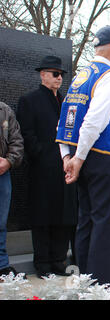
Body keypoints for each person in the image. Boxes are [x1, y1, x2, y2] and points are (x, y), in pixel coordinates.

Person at [55, 25, 110, 287]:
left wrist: (68, 157)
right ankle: (102, 290)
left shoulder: (81, 76)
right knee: (105, 226)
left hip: (83, 158)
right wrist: (77, 158)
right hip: (104, 157)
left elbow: (65, 120)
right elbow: (94, 120)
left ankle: (85, 285)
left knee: (87, 223)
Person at [17, 56, 77, 279]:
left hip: (66, 167)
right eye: (54, 73)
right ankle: (42, 263)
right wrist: (43, 155)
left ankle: (58, 261)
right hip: (43, 169)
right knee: (43, 216)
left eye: (61, 74)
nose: (59, 78)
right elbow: (27, 134)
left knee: (64, 216)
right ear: (42, 75)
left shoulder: (66, 103)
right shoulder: (29, 100)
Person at [0, 101, 24, 277]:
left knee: (1, 222)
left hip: (2, 173)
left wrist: (9, 160)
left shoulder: (5, 110)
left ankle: (2, 265)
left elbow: (17, 141)